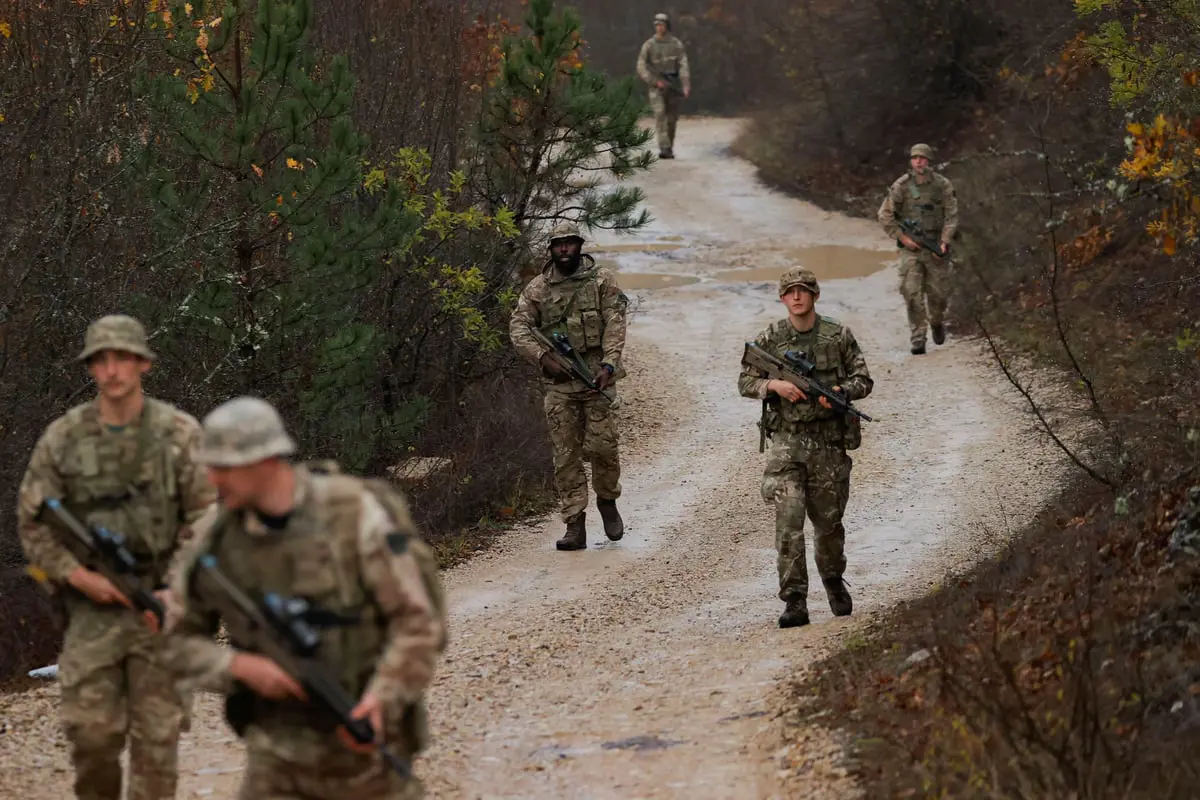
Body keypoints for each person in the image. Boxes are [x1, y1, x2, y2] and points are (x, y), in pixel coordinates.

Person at [162, 396, 446, 800]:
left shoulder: (351, 513)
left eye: (224, 467)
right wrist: (238, 667)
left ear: (265, 460)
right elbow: (174, 641)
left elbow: (417, 622)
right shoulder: (215, 542)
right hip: (276, 749)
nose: (212, 479)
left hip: (363, 741)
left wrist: (384, 697)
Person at [17, 314, 217, 800]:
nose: (112, 370)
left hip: (161, 609)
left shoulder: (179, 434)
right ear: (90, 367)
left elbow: (208, 516)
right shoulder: (64, 438)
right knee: (92, 741)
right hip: (93, 610)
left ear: (143, 363)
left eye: (123, 358)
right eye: (101, 360)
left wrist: (177, 586)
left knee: (156, 747)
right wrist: (78, 576)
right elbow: (33, 519)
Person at [739, 269, 873, 628]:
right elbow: (745, 380)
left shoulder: (838, 334)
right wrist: (774, 386)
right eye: (790, 292)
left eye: (803, 291)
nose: (796, 297)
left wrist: (842, 392)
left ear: (815, 295)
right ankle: (794, 600)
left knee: (829, 525)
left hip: (827, 443)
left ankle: (833, 579)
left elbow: (863, 379)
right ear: (782, 298)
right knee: (789, 522)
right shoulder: (771, 337)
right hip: (787, 444)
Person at [509, 222, 629, 551]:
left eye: (569, 243)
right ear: (551, 249)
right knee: (565, 455)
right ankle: (574, 523)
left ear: (579, 245)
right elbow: (518, 326)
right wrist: (543, 357)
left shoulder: (601, 280)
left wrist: (609, 364)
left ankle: (607, 501)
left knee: (604, 448)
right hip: (559, 385)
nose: (564, 249)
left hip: (597, 378)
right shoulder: (538, 288)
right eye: (558, 244)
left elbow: (615, 322)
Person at [877, 142, 959, 354]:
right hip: (910, 249)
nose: (919, 161)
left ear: (929, 160)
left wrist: (944, 241)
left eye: (922, 158)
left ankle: (936, 321)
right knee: (911, 293)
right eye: (915, 158)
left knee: (938, 295)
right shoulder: (902, 186)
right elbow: (885, 215)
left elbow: (951, 215)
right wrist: (902, 238)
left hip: (935, 246)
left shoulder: (942, 185)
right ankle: (918, 338)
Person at [636, 12, 691, 159]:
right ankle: (664, 147)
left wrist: (685, 84)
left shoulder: (676, 44)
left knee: (671, 119)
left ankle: (669, 146)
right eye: (657, 25)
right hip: (656, 85)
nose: (659, 27)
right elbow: (641, 66)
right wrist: (653, 81)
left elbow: (683, 65)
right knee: (660, 114)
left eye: (662, 25)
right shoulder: (649, 45)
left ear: (667, 26)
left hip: (672, 84)